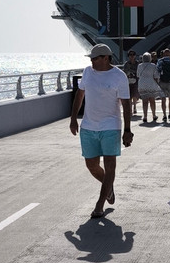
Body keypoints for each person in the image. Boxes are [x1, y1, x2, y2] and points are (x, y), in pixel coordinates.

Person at [69, 44, 133, 218]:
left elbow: (126, 104)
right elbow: (79, 95)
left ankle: (99, 205)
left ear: (106, 58)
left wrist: (127, 130)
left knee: (110, 165)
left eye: (95, 58)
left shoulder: (119, 76)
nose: (92, 61)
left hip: (111, 126)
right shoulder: (88, 72)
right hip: (88, 126)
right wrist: (73, 118)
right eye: (91, 58)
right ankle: (108, 187)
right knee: (91, 165)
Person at [136, 52, 164, 122]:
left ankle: (145, 116)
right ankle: (154, 115)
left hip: (142, 84)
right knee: (152, 100)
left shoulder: (139, 65)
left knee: (144, 101)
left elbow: (138, 75)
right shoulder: (153, 65)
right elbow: (156, 76)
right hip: (151, 84)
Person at [122, 50, 140, 118]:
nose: (132, 56)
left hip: (136, 81)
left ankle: (134, 106)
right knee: (129, 96)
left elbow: (138, 71)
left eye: (133, 55)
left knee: (135, 95)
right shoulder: (126, 64)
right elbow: (125, 72)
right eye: (130, 55)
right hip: (128, 81)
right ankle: (130, 110)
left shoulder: (137, 63)